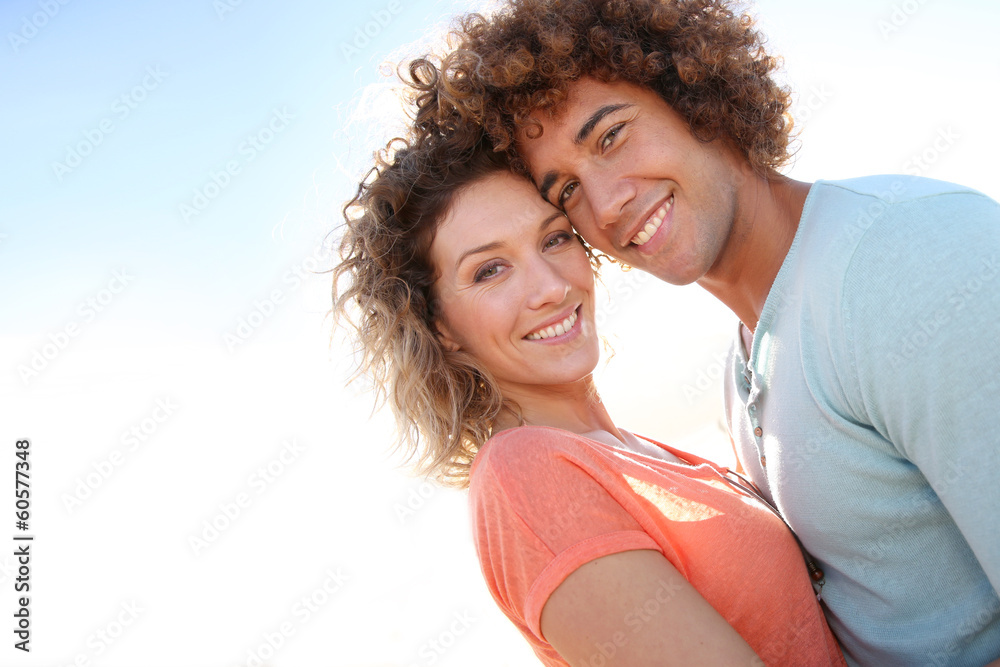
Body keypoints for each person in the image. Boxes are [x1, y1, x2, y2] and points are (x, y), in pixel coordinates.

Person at [411, 0, 1000, 664]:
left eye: (611, 136)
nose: (606, 205)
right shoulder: (745, 368)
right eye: (568, 191)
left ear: (694, 94)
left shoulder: (911, 258)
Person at [332, 128, 846, 665]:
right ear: (439, 328)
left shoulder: (627, 451)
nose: (551, 287)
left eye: (554, 238)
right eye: (490, 270)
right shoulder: (523, 474)